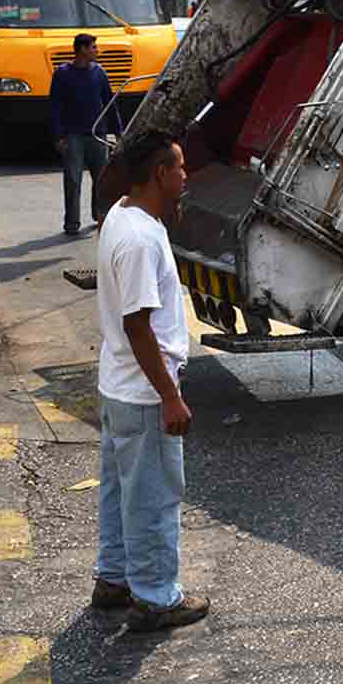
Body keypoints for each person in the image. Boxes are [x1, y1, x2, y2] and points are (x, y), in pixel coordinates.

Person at [92, 130, 211, 632]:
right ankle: (156, 596)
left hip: (117, 385)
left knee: (121, 490)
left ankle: (115, 578)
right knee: (155, 495)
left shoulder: (123, 216)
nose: (186, 175)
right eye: (180, 167)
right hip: (143, 392)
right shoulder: (139, 238)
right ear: (160, 174)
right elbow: (137, 324)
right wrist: (170, 396)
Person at [51, 33, 120, 236]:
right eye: (93, 47)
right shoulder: (62, 74)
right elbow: (56, 107)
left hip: (97, 134)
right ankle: (71, 223)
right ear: (82, 49)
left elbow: (110, 104)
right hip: (73, 136)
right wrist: (58, 135)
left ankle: (99, 216)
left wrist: (118, 132)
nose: (96, 51)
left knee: (102, 179)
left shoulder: (100, 73)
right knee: (73, 180)